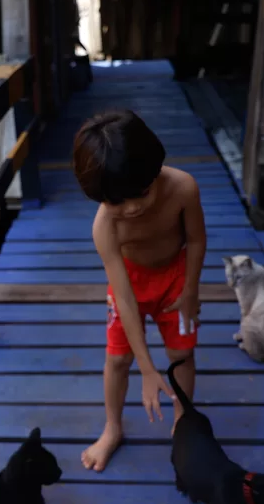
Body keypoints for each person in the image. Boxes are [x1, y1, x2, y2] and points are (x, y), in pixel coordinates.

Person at [72, 110, 207, 472]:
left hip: (176, 278)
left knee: (182, 353)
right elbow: (125, 301)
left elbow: (196, 239)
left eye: (141, 194)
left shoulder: (183, 188)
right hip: (130, 284)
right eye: (115, 201)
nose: (130, 209)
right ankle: (112, 427)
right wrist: (146, 368)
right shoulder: (105, 227)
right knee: (118, 359)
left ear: (155, 168)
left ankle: (182, 418)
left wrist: (191, 290)